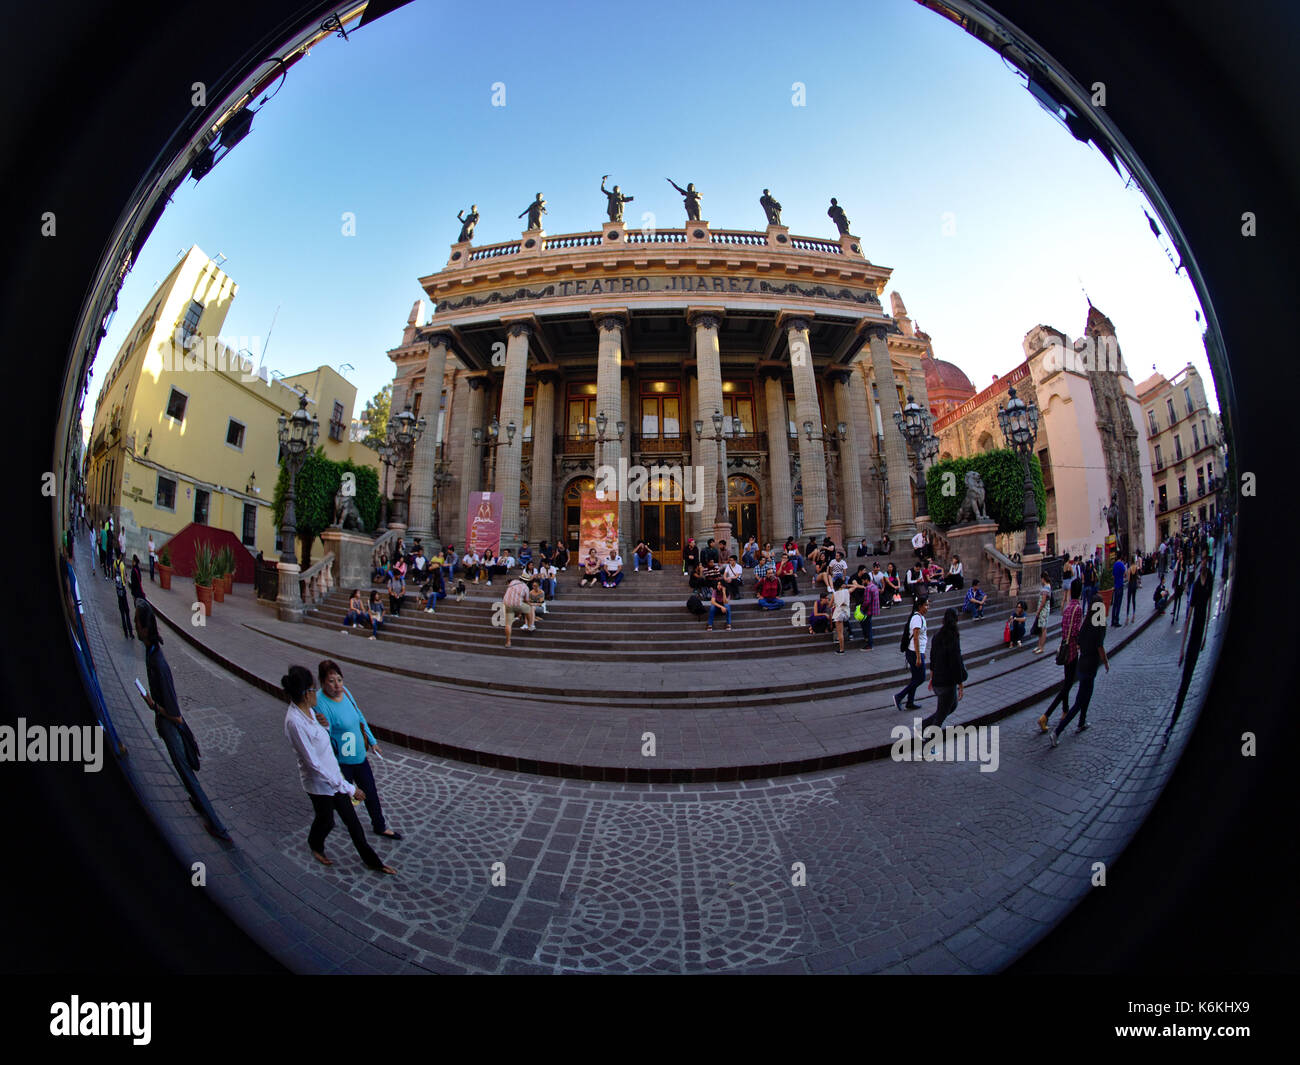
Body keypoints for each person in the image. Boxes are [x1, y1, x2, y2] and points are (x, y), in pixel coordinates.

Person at [281, 665, 395, 873]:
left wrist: (323, 726)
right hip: (320, 785)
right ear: (306, 694)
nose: (317, 694)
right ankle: (315, 844)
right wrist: (349, 788)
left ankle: (373, 862)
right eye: (314, 689)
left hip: (334, 778)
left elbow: (324, 739)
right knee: (326, 821)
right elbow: (313, 764)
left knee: (353, 823)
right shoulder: (294, 722)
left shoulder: (310, 713)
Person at [134, 600, 231, 841]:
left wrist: (153, 706)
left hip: (171, 726)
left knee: (186, 772)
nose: (135, 627)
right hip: (166, 723)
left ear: (145, 629)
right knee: (183, 771)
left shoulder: (158, 662)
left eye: (137, 623)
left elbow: (175, 714)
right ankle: (198, 803)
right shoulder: (151, 651)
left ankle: (218, 827)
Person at [313, 660, 402, 841]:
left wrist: (372, 740)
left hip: (358, 754)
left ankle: (379, 825)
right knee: (344, 797)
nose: (337, 685)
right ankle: (331, 819)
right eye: (331, 681)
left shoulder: (345, 692)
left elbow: (359, 716)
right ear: (322, 682)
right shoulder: (320, 702)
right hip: (341, 760)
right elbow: (324, 734)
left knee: (370, 792)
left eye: (339, 679)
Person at [1163, 556, 1213, 747]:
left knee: (1194, 677)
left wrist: (1206, 635)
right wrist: (1182, 648)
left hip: (1200, 634)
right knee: (1186, 680)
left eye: (1204, 561)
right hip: (1193, 636)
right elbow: (1189, 617)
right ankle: (1172, 723)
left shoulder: (1208, 580)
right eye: (1201, 561)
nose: (1202, 564)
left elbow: (1208, 610)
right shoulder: (1195, 585)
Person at [1051, 603, 1109, 745]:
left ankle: (1082, 722)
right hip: (1090, 667)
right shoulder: (1099, 628)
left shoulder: (1085, 626)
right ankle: (1057, 731)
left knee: (1086, 695)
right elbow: (1100, 647)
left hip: (1082, 665)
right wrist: (1106, 662)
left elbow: (1078, 644)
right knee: (1079, 701)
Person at [1038, 578, 1085, 733]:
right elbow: (1077, 631)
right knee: (1068, 685)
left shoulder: (1067, 608)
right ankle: (1046, 715)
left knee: (1067, 681)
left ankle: (1065, 710)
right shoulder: (1078, 608)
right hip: (1072, 649)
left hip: (1064, 646)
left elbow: (1064, 627)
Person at [922, 608, 967, 733]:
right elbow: (956, 662)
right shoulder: (953, 637)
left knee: (951, 706)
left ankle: (923, 725)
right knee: (941, 716)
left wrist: (932, 676)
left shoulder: (937, 635)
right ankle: (928, 742)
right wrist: (961, 684)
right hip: (947, 682)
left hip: (938, 680)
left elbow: (933, 657)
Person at [893, 597, 929, 712]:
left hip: (915, 652)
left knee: (915, 678)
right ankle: (899, 696)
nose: (927, 608)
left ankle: (910, 702)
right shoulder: (917, 618)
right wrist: (919, 656)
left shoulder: (920, 617)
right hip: (913, 653)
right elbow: (916, 638)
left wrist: (922, 653)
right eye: (926, 605)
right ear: (920, 606)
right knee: (921, 678)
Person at [502, 574, 536, 647]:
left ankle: (508, 642)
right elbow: (526, 600)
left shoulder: (513, 581)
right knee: (529, 608)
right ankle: (530, 625)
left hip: (507, 603)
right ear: (527, 582)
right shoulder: (526, 587)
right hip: (517, 604)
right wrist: (531, 604)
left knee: (508, 624)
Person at [858, 568, 881, 650]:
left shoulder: (868, 588)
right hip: (873, 609)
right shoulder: (874, 586)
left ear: (866, 580)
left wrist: (861, 608)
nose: (862, 582)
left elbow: (867, 601)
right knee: (867, 625)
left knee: (868, 627)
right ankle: (868, 641)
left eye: (863, 581)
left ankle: (869, 644)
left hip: (868, 610)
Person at [112, 554, 135, 638]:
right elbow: (124, 579)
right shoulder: (122, 565)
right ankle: (131, 633)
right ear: (120, 555)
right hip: (123, 590)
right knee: (127, 612)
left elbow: (114, 575)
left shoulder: (114, 563)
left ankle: (125, 632)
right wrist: (125, 579)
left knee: (122, 612)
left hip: (118, 590)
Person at [831, 576, 851, 654]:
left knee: (840, 633)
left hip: (838, 613)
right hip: (846, 613)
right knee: (841, 632)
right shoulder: (847, 591)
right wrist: (847, 585)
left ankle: (841, 649)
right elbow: (855, 586)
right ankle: (842, 649)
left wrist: (834, 603)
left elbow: (829, 605)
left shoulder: (835, 594)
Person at [1033, 575, 1052, 654]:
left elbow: (1043, 601)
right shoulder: (1048, 587)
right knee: (1041, 628)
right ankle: (1039, 645)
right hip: (1044, 610)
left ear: (1043, 579)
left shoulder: (1046, 588)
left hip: (1043, 610)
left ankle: (1041, 647)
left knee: (1043, 629)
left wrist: (1038, 611)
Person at [1111, 553, 1126, 627]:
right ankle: (1116, 620)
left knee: (1114, 604)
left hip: (1115, 585)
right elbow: (1125, 573)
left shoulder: (1115, 564)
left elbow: (1113, 575)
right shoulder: (1121, 564)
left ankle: (1112, 620)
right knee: (1119, 604)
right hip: (1120, 585)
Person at [1125, 554, 1141, 622]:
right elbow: (1138, 577)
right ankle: (1134, 615)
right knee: (1133, 600)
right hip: (1135, 585)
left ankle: (1127, 617)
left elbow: (1128, 579)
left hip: (1130, 585)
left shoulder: (1129, 569)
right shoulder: (1136, 567)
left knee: (1128, 601)